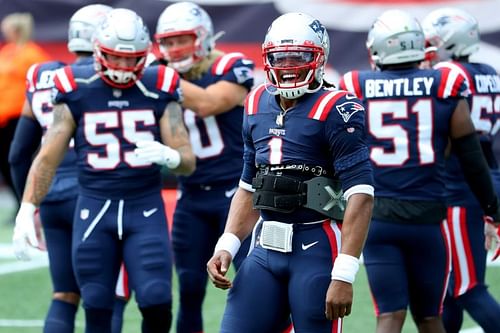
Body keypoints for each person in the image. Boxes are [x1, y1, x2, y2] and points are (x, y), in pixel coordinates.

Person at [11, 8, 195, 333]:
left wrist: (170, 156)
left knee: (156, 298)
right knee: (97, 302)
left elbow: (187, 160)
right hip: (94, 207)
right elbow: (48, 156)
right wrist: (27, 208)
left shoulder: (159, 83)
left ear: (145, 55)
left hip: (144, 206)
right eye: (116, 58)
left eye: (132, 59)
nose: (124, 68)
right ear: (98, 50)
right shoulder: (75, 85)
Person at [207, 12, 374, 333]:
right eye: (280, 58)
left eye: (299, 57)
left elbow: (362, 196)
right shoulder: (256, 101)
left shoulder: (338, 108)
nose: (288, 66)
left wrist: (344, 272)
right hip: (264, 247)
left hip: (316, 246)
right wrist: (227, 245)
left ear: (319, 57)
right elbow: (247, 185)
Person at [339, 9, 500, 333]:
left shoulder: (356, 83)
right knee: (430, 316)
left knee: (390, 316)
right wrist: (492, 210)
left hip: (379, 216)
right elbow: (472, 157)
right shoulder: (446, 83)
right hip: (430, 216)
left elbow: (339, 152)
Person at [8, 5, 113, 333]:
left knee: (64, 294)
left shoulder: (42, 77)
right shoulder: (110, 80)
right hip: (99, 195)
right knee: (103, 296)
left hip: (52, 194)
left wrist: (29, 204)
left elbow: (17, 154)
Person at [152, 2, 255, 332]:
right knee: (190, 289)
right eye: (167, 42)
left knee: (254, 283)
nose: (174, 48)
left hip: (235, 193)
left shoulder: (231, 65)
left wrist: (160, 78)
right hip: (191, 196)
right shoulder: (162, 73)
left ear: (204, 37)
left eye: (182, 39)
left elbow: (210, 103)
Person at [421, 8, 500, 333]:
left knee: (467, 286)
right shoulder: (488, 71)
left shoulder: (448, 74)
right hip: (483, 177)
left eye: (434, 41)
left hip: (458, 185)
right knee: (449, 289)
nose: (429, 48)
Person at [0, 12, 50, 210]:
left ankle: (31, 202)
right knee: (7, 161)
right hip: (4, 117)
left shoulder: (32, 54)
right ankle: (19, 200)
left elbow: (40, 83)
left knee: (21, 157)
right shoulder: (7, 52)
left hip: (21, 116)